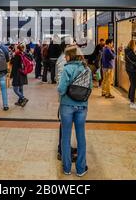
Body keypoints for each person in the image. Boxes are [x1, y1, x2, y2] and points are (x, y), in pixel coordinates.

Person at [57, 45, 92, 177]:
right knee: (81, 136)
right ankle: (81, 168)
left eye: (66, 55)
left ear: (70, 56)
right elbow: (90, 87)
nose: (65, 57)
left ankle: (66, 168)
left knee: (65, 137)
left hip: (66, 106)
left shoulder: (67, 69)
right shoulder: (86, 69)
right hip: (82, 106)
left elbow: (61, 89)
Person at [124, 40, 136, 109]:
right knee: (133, 85)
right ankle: (132, 102)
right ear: (133, 45)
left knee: (132, 84)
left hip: (128, 69)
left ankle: (130, 97)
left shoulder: (127, 51)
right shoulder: (131, 52)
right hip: (132, 70)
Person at [10, 43, 29, 107]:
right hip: (23, 73)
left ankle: (23, 98)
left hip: (17, 74)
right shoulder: (24, 54)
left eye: (15, 48)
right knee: (21, 88)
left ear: (18, 49)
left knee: (15, 89)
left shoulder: (17, 55)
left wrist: (11, 75)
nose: (14, 49)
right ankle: (20, 101)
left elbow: (14, 66)